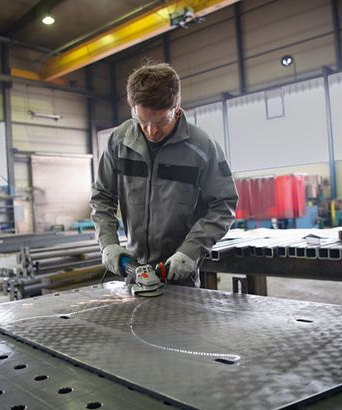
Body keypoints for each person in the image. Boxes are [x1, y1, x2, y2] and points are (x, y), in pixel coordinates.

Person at [90, 63, 237, 287]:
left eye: (160, 122)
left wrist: (190, 251)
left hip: (180, 271)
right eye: (142, 121)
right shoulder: (118, 142)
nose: (151, 131)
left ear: (176, 108)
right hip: (134, 270)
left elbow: (223, 205)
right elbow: (102, 196)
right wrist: (108, 243)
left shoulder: (202, 148)